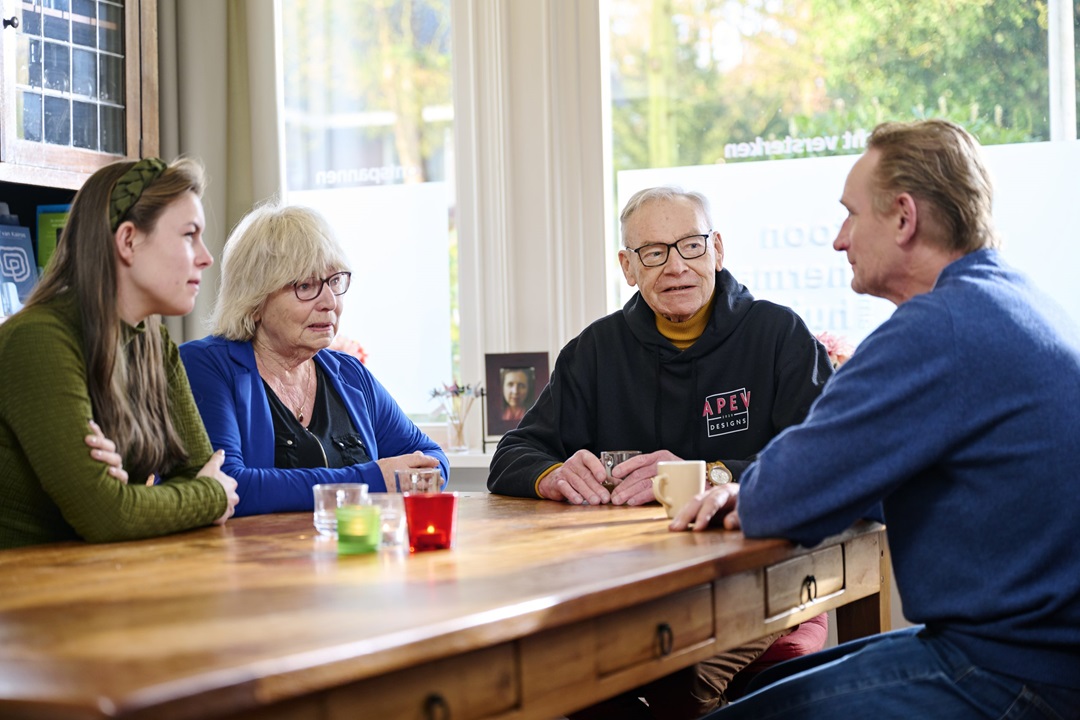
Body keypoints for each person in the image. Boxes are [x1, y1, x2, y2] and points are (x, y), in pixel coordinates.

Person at [674, 119, 1080, 719]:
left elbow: (785, 494)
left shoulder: (936, 327)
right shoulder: (1015, 300)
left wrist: (749, 491)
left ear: (903, 217)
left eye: (850, 214)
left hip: (1010, 671)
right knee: (752, 693)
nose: (839, 239)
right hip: (1043, 655)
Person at [488, 186, 834, 717]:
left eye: (691, 246)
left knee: (676, 679)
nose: (675, 266)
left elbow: (823, 463)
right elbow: (514, 453)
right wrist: (552, 474)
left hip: (765, 582)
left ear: (717, 250)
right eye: (653, 252)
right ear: (628, 267)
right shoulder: (594, 351)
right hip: (630, 594)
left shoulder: (778, 334)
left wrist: (710, 474)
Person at [0, 157, 239, 549]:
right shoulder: (38, 340)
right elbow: (108, 516)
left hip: (93, 580)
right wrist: (202, 498)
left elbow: (204, 471)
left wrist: (133, 499)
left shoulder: (154, 345)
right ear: (128, 241)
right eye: (188, 235)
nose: (206, 257)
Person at [179, 203, 448, 516]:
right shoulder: (207, 366)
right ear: (254, 300)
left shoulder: (350, 374)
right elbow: (230, 487)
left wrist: (407, 475)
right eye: (306, 286)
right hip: (255, 561)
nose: (330, 302)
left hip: (354, 555)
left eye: (334, 282)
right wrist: (373, 479)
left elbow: (431, 456)